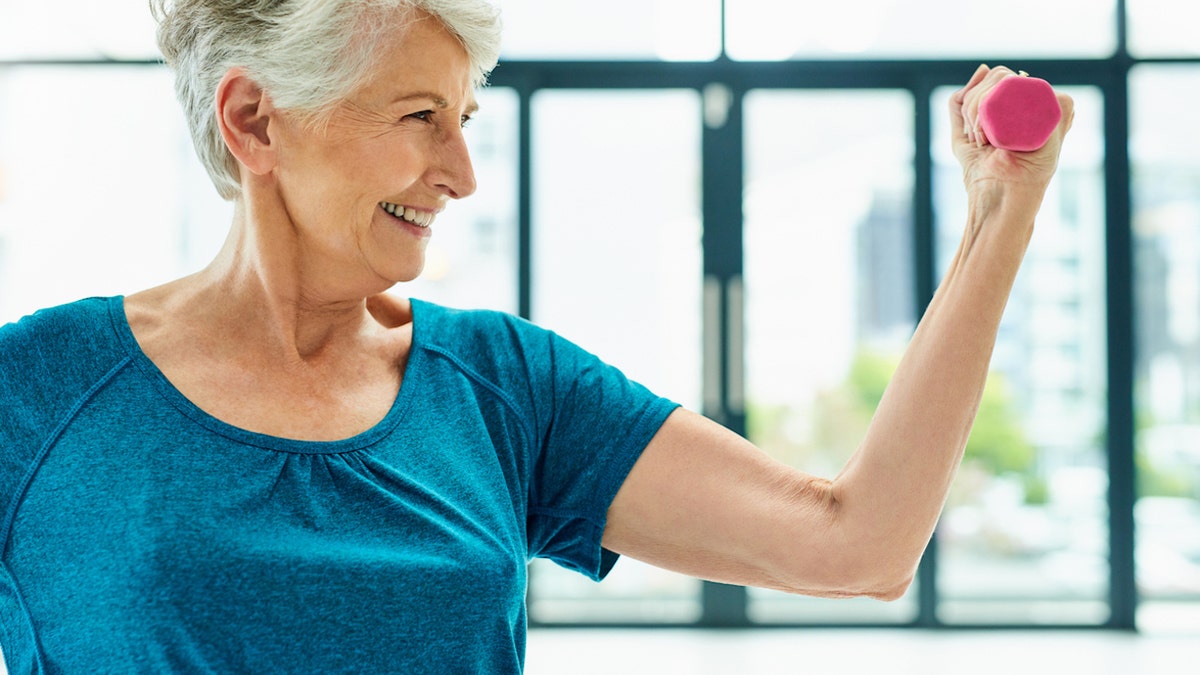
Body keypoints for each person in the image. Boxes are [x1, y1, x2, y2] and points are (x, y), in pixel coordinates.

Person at [0, 0, 1074, 672]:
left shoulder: (505, 388)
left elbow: (860, 545)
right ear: (253, 121)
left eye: (464, 122)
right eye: (419, 116)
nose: (462, 175)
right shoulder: (36, 391)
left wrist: (998, 218)